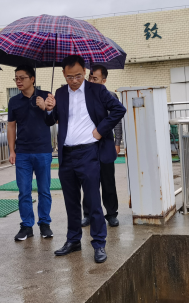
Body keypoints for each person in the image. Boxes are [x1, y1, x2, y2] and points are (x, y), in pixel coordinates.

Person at [38, 55, 126, 264]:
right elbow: (51, 120)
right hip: (66, 154)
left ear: (85, 72)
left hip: (89, 152)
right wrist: (48, 109)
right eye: (70, 77)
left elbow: (119, 109)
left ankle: (99, 243)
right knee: (71, 201)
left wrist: (100, 130)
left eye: (78, 76)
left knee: (93, 200)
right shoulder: (60, 93)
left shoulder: (97, 90)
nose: (74, 80)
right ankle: (73, 240)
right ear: (63, 74)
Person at [7, 65, 54, 241]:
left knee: (44, 190)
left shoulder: (46, 96)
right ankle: (27, 226)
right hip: (23, 153)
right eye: (16, 78)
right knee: (24, 191)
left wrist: (46, 108)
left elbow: (53, 120)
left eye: (22, 78)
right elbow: (11, 126)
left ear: (32, 79)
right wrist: (12, 150)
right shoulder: (14, 101)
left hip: (43, 150)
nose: (18, 81)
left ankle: (45, 224)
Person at [81, 65, 122, 228]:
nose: (91, 81)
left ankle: (111, 214)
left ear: (103, 81)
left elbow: (117, 120)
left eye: (95, 78)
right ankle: (88, 214)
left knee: (108, 181)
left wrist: (117, 142)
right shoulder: (82, 96)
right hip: (86, 145)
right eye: (90, 78)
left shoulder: (110, 95)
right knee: (88, 181)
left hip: (105, 144)